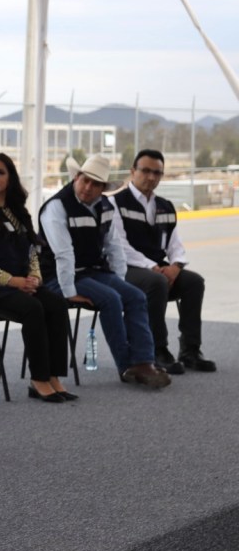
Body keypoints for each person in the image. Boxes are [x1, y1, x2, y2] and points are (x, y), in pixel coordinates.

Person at [38, 154, 170, 388]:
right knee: (111, 299)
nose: (88, 187)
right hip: (57, 276)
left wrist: (120, 282)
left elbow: (114, 247)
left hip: (92, 271)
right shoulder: (56, 207)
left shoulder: (105, 207)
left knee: (136, 297)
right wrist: (69, 292)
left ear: (103, 188)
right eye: (85, 180)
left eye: (96, 184)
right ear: (76, 177)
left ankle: (143, 362)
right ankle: (126, 366)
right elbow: (63, 254)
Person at [0, 153, 74, 402]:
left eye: (0, 172)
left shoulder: (17, 213)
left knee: (56, 304)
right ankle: (38, 379)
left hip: (15, 284)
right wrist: (12, 281)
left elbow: (32, 251)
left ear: (10, 179)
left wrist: (34, 278)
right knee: (32, 308)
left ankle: (53, 375)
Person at [110, 149, 216, 373]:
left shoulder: (165, 206)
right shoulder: (115, 203)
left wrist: (176, 266)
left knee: (194, 282)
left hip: (158, 270)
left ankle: (190, 351)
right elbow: (120, 246)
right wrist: (153, 267)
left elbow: (175, 245)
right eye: (145, 171)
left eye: (157, 173)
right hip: (125, 270)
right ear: (132, 171)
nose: (151, 177)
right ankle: (156, 350)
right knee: (156, 282)